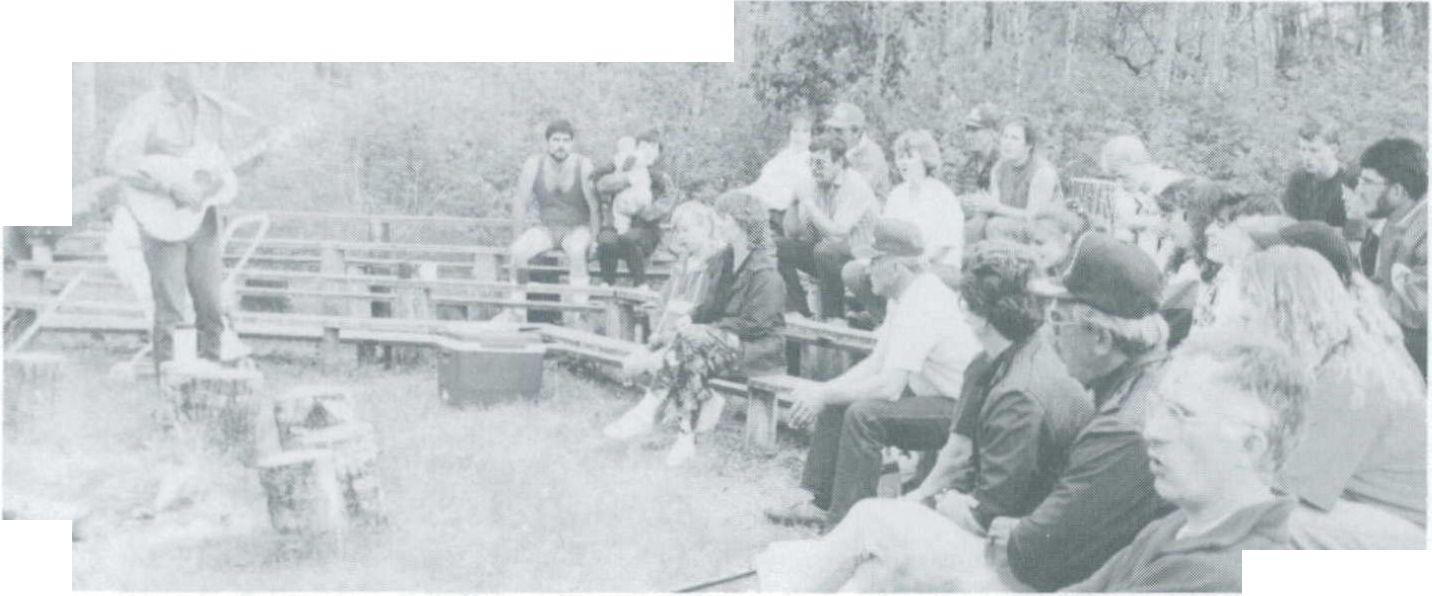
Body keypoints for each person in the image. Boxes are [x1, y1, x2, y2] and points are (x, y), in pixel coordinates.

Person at [754, 241, 1090, 592]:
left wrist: (943, 505)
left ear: (980, 313)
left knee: (870, 519)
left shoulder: (1019, 394)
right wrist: (919, 499)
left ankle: (781, 586)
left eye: (965, 301)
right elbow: (957, 452)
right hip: (995, 529)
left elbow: (987, 514)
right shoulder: (993, 360)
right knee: (871, 569)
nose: (961, 310)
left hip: (1015, 562)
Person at [1196, 247, 1426, 550]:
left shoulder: (1350, 378)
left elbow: (1282, 488)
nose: (1242, 323)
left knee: (1257, 521)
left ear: (1285, 311)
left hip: (1411, 538)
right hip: (1381, 519)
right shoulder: (1339, 353)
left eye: (1248, 312)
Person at [763, 218, 980, 528]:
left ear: (896, 267)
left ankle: (848, 523)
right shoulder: (904, 296)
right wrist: (822, 392)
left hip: (963, 412)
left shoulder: (923, 303)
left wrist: (824, 394)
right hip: (935, 394)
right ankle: (816, 502)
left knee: (864, 414)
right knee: (839, 400)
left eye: (874, 261)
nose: (866, 270)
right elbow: (876, 363)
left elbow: (890, 387)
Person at [1065, 335, 1309, 592]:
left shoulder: (1220, 576)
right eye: (1159, 408)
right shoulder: (1186, 524)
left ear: (1250, 448)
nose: (1152, 432)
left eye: (1181, 415)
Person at [1009, 233, 1175, 591]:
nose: (1049, 335)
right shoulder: (1158, 376)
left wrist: (1009, 531)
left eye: (1057, 321)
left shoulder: (1122, 428)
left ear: (1101, 338)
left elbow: (1033, 557)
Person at [602, 191, 786, 466]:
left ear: (739, 223)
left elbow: (757, 324)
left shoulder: (765, 269)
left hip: (757, 349)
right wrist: (693, 317)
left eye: (724, 218)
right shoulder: (724, 259)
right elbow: (709, 305)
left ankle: (650, 411)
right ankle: (684, 436)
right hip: (718, 344)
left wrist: (708, 329)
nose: (719, 223)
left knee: (690, 344)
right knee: (689, 355)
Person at [103, 63, 248, 368]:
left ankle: (210, 377)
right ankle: (169, 381)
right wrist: (168, 185)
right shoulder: (146, 107)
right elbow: (118, 160)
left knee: (211, 304)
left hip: (202, 218)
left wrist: (220, 178)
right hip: (161, 218)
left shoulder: (212, 109)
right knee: (170, 307)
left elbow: (221, 162)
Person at [842, 130, 964, 327]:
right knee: (853, 272)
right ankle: (883, 320)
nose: (903, 163)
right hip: (900, 261)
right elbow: (884, 237)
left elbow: (944, 247)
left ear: (925, 159)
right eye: (900, 157)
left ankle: (908, 324)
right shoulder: (897, 195)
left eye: (909, 157)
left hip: (939, 265)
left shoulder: (942, 195)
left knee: (895, 271)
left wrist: (912, 261)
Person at [777, 133, 879, 319]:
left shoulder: (855, 185)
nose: (814, 169)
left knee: (826, 249)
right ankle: (798, 312)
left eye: (820, 163)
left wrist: (808, 203)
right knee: (777, 246)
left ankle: (834, 318)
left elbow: (838, 234)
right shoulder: (814, 183)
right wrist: (793, 203)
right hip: (828, 257)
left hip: (861, 259)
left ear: (838, 163)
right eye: (811, 163)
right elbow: (793, 234)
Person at [1356, 137, 1427, 373]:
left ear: (1398, 190)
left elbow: (1418, 310)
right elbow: (1383, 284)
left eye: (1367, 182)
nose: (1358, 190)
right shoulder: (1395, 220)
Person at [509, 119, 599, 300]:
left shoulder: (583, 165)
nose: (561, 145)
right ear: (547, 143)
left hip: (575, 230)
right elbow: (520, 202)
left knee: (577, 252)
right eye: (556, 140)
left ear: (572, 143)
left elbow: (595, 207)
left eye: (566, 140)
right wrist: (517, 237)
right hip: (547, 230)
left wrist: (595, 239)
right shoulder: (534, 164)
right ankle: (517, 302)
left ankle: (579, 306)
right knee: (517, 251)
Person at [594, 129, 676, 288]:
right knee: (605, 239)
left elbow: (666, 203)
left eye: (654, 147)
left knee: (628, 238)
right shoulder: (623, 169)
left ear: (659, 153)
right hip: (617, 226)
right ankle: (607, 282)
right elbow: (601, 184)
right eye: (644, 146)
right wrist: (627, 179)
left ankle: (640, 283)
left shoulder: (661, 177)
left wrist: (644, 211)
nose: (649, 151)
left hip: (646, 230)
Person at [965, 115, 1063, 241]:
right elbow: (994, 204)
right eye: (1005, 137)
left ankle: (998, 253)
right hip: (1010, 222)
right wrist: (980, 203)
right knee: (976, 224)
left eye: (1015, 138)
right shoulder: (999, 168)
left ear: (1028, 145)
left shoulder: (1042, 172)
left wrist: (995, 207)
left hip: (1043, 231)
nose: (1007, 143)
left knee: (995, 226)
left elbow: (1032, 216)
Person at [1098, 135, 1189, 255]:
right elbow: (1125, 221)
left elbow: (1186, 229)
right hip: (1143, 255)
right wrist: (1147, 223)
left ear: (1139, 164)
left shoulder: (1173, 183)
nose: (1120, 183)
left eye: (1123, 176)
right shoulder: (1126, 190)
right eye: (1115, 178)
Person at [746, 112, 816, 235]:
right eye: (795, 131)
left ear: (811, 137)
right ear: (789, 133)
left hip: (792, 216)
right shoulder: (781, 157)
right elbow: (763, 182)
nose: (799, 136)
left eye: (805, 131)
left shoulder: (813, 161)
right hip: (768, 210)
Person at [1282, 114, 1356, 229]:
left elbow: (1354, 233)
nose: (1306, 157)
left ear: (1334, 149)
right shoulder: (1297, 180)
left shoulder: (1350, 182)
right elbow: (1290, 224)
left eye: (1314, 150)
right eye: (1303, 149)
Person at [823, 102, 891, 199]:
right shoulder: (833, 148)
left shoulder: (872, 155)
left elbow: (857, 192)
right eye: (831, 129)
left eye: (839, 130)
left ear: (856, 131)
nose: (833, 135)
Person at [944, 102, 1001, 197]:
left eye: (974, 130)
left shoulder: (1004, 163)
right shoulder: (965, 165)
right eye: (967, 130)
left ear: (991, 131)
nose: (968, 136)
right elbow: (953, 199)